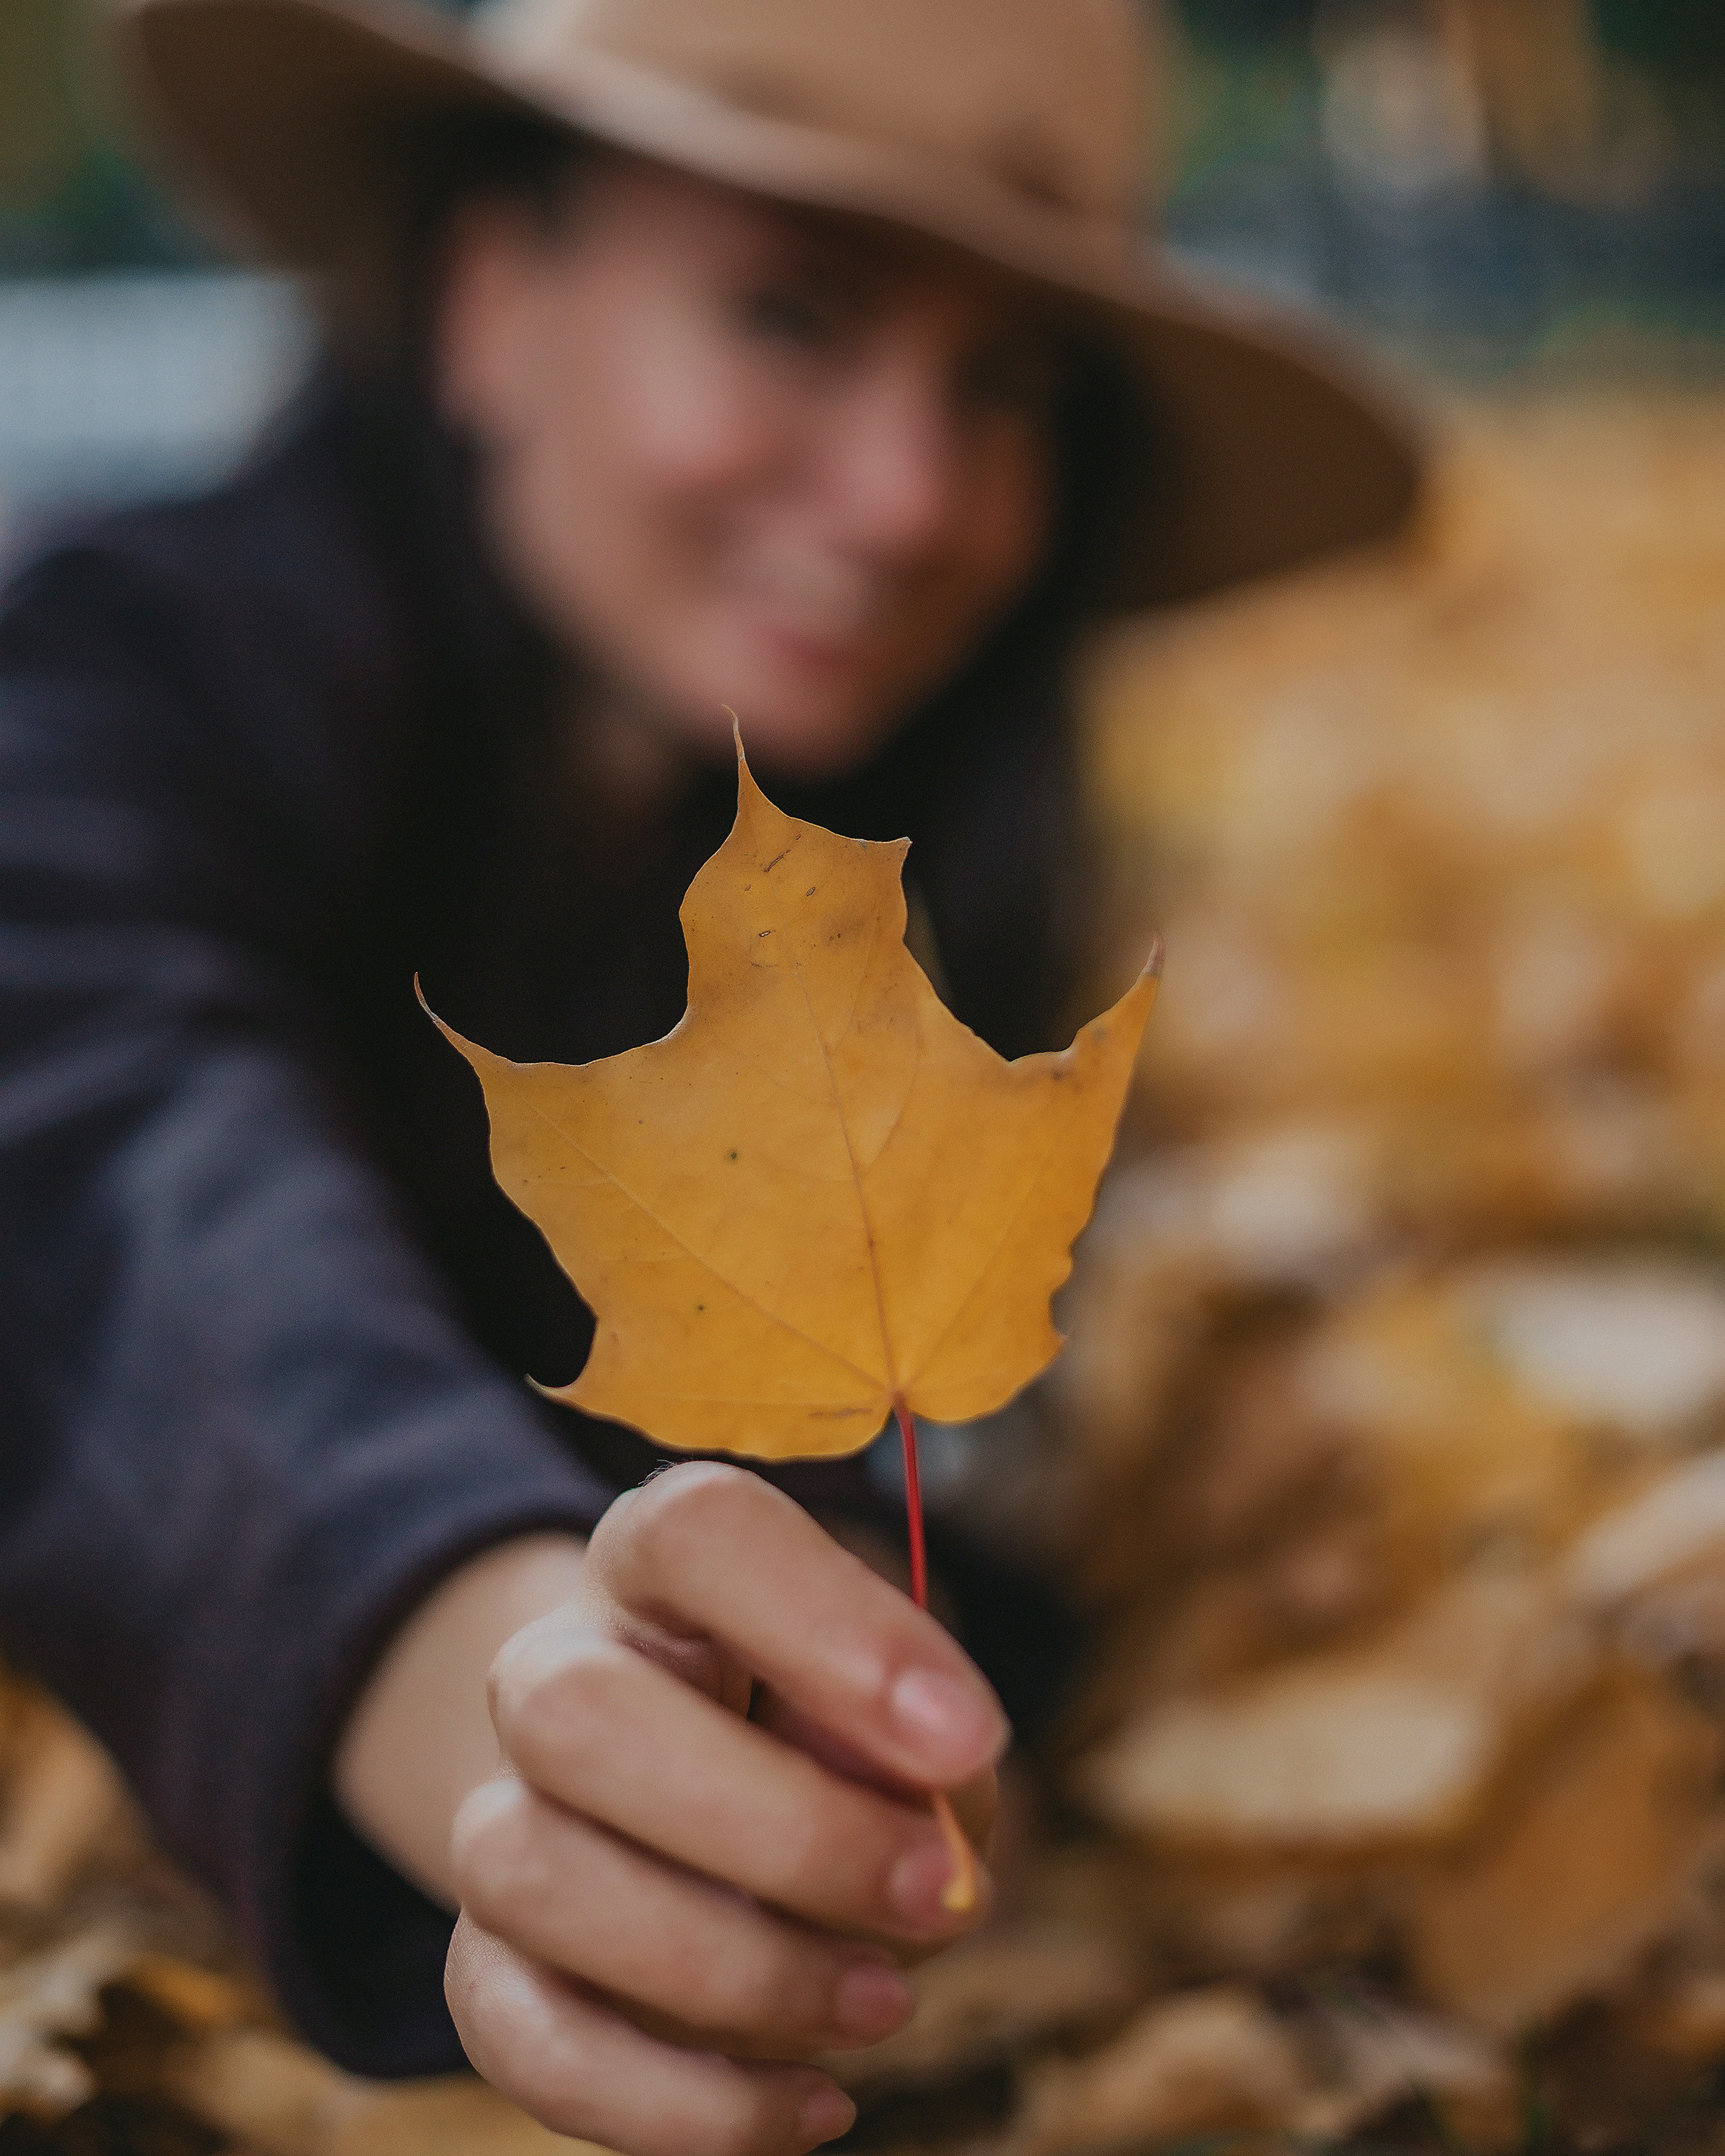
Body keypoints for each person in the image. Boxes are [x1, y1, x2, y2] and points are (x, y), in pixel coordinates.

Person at [0, 0, 1420, 2150]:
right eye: (788, 314)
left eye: (1004, 383)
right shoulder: (126, 671)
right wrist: (489, 1666)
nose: (911, 491)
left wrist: (839, 1728)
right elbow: (97, 1163)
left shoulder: (886, 888)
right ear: (493, 298)